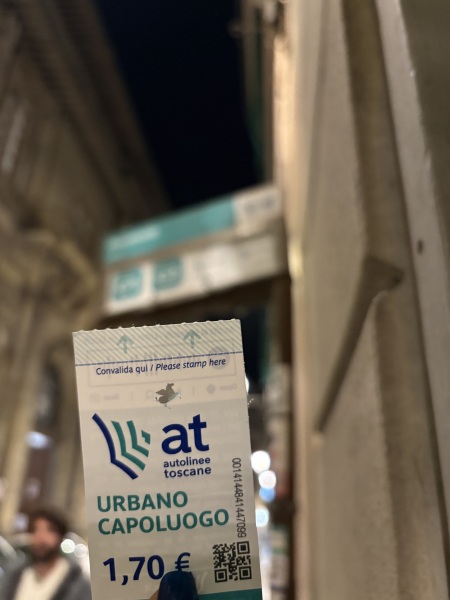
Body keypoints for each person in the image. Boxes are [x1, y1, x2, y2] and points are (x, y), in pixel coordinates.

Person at [0, 506, 91, 600]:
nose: (41, 537)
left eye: (49, 531)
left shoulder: (77, 583)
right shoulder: (14, 576)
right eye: (35, 530)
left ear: (60, 536)